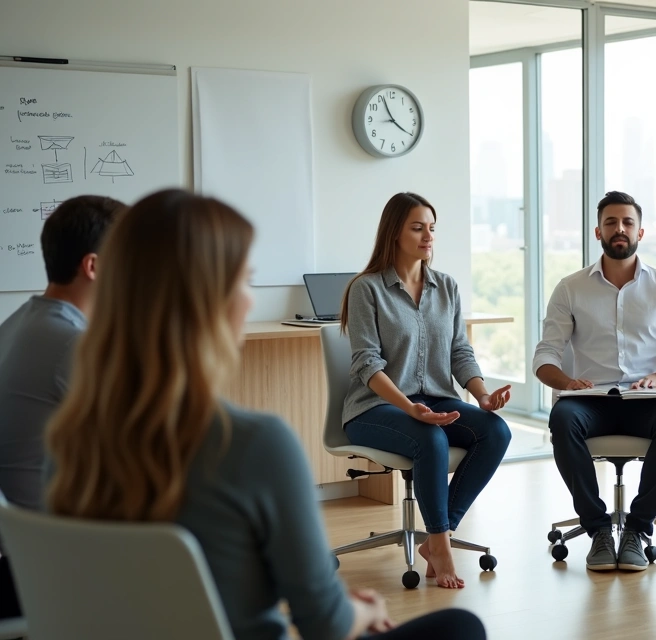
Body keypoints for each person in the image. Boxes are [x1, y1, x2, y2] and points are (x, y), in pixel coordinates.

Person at [43, 189, 486, 640]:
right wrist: (362, 611)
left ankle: (439, 534)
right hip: (380, 416)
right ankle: (438, 541)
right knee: (462, 627)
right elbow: (324, 622)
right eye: (243, 281)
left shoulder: (68, 439)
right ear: (206, 301)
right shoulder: (255, 444)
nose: (250, 301)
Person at [340, 192, 511, 590]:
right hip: (374, 407)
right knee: (430, 437)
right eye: (417, 227)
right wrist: (409, 408)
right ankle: (441, 546)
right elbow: (367, 364)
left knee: (496, 430)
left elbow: (459, 351)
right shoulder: (367, 289)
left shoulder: (446, 287)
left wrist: (482, 396)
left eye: (432, 228)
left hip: (436, 398)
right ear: (394, 233)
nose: (428, 236)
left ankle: (439, 536)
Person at [534, 190, 656, 572]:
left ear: (640, 233)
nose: (620, 229)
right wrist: (565, 380)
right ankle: (597, 529)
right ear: (598, 232)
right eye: (611, 222)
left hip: (647, 399)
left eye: (628, 222)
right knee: (562, 419)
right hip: (589, 398)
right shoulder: (571, 287)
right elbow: (544, 356)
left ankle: (638, 530)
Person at [0, 194, 125, 619]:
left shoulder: (19, 322)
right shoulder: (73, 344)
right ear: (94, 267)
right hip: (51, 562)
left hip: (21, 545)